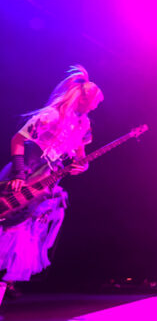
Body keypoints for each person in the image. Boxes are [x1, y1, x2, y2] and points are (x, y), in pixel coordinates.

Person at [0, 65, 103, 301]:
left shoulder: (84, 125)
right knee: (7, 225)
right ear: (83, 99)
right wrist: (18, 174)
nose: (95, 107)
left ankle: (4, 288)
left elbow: (80, 157)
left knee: (22, 235)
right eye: (94, 102)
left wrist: (81, 166)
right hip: (26, 173)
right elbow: (17, 140)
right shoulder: (50, 115)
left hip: (46, 184)